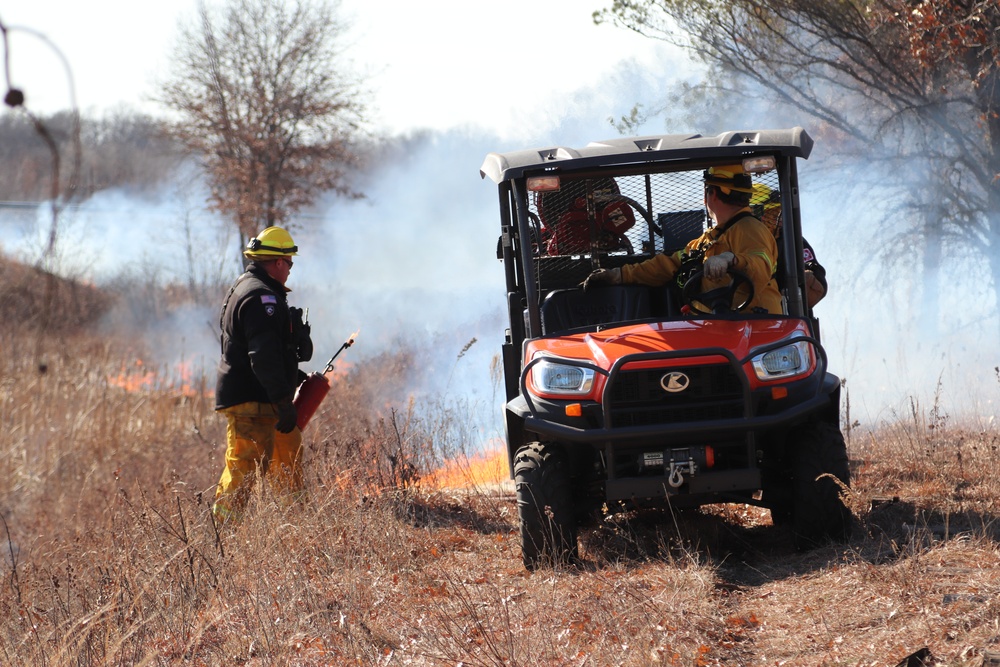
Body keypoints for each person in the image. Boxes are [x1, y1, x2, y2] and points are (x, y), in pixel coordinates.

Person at [213, 226, 313, 522]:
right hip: (253, 401)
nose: (290, 271)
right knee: (244, 467)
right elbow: (262, 355)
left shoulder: (248, 288)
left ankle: (294, 524)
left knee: (288, 453)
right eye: (290, 264)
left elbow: (259, 349)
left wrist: (290, 377)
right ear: (279, 262)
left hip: (263, 397)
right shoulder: (262, 298)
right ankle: (222, 536)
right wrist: (284, 401)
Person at [582, 165, 782, 314]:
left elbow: (760, 265)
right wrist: (617, 276)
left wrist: (730, 259)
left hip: (753, 328)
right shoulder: (706, 242)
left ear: (711, 194)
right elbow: (666, 265)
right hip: (716, 327)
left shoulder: (750, 228)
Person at [751, 183, 827, 307]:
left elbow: (819, 280)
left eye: (778, 213)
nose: (779, 220)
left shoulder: (792, 241)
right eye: (772, 214)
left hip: (786, 317)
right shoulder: (741, 242)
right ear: (757, 216)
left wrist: (806, 278)